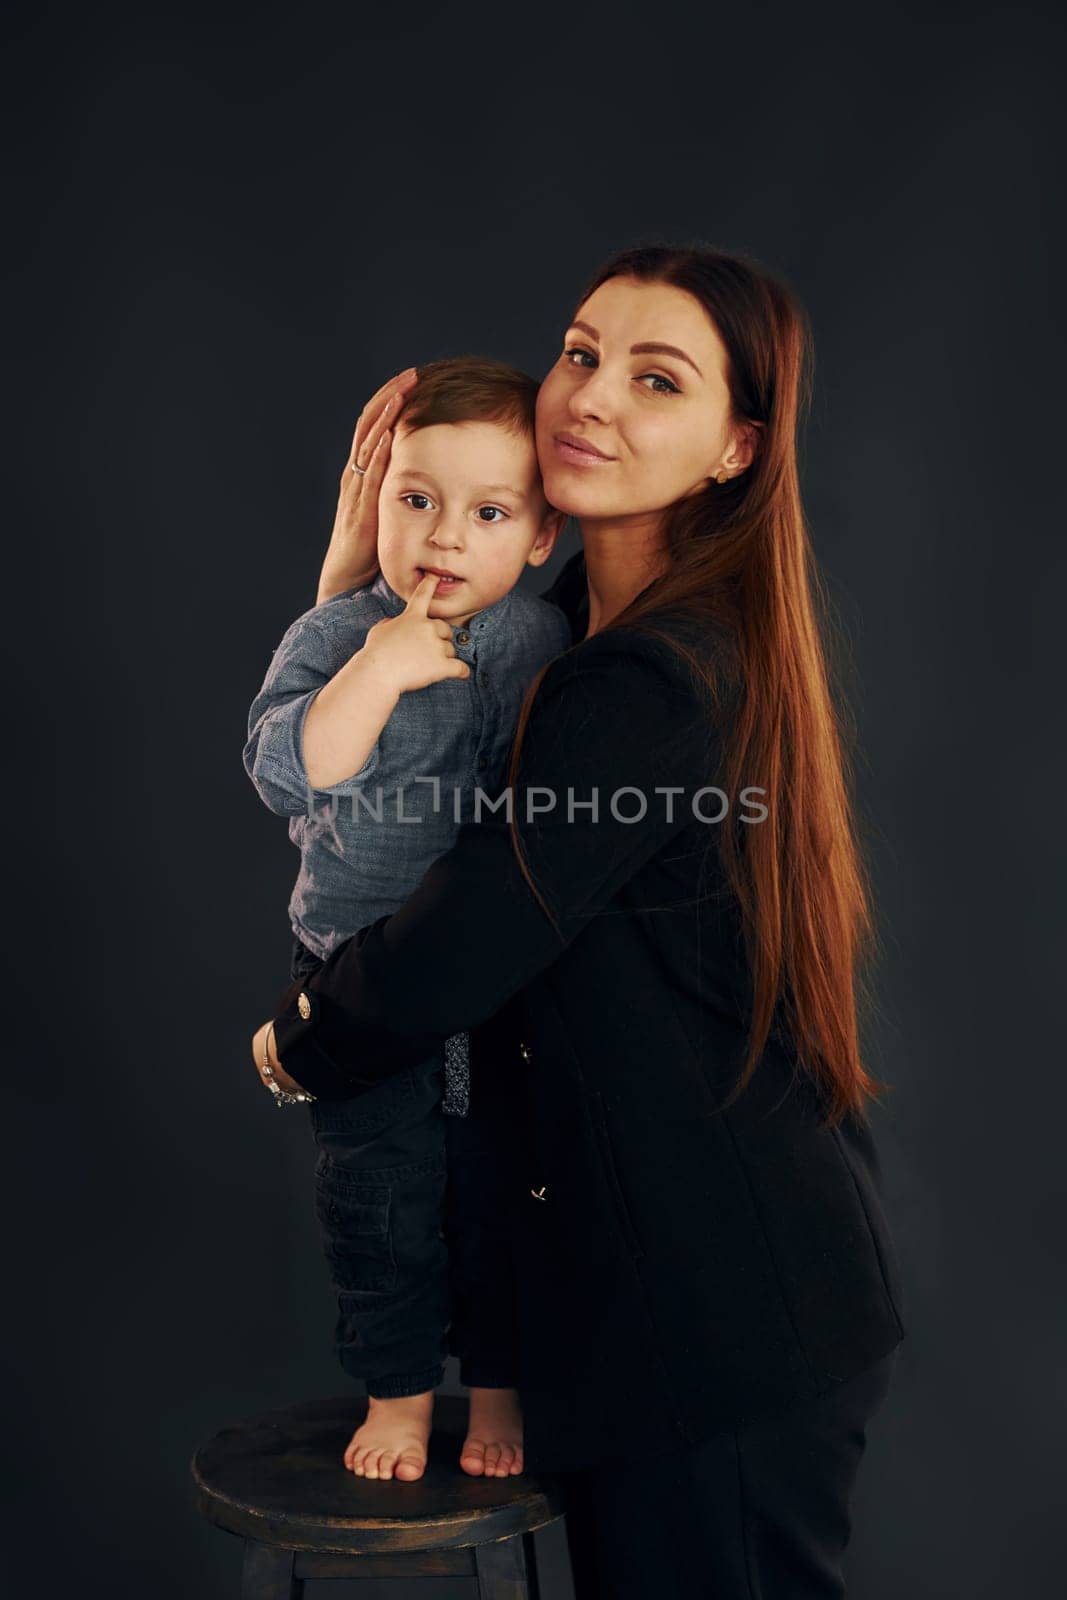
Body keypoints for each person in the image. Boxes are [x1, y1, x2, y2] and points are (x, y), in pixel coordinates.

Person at [250, 243, 908, 1598]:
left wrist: (293, 1044)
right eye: (579, 350)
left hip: (719, 1317)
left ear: (733, 448)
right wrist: (351, 592)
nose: (588, 396)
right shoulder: (543, 637)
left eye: (652, 379)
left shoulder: (649, 680)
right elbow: (355, 778)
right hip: (642, 1315)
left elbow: (460, 941)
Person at [243, 357, 570, 1483]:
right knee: (379, 1199)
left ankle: (497, 1385)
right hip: (354, 973)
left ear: (537, 536)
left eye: (487, 512)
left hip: (495, 979)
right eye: (415, 499)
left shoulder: (535, 642)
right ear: (373, 500)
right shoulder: (335, 634)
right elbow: (290, 774)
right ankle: (394, 1392)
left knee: (499, 1186)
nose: (442, 536)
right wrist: (377, 669)